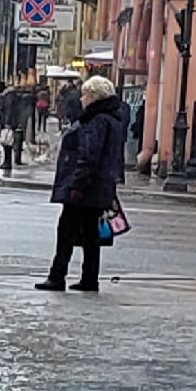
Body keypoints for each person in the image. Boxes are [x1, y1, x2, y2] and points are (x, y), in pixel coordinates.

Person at [35, 75, 126, 294]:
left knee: (66, 231)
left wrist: (77, 186)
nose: (82, 98)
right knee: (90, 234)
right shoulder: (112, 119)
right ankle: (89, 278)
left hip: (86, 188)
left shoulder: (96, 121)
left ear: (94, 97)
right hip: (99, 186)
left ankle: (57, 277)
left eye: (85, 94)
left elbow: (89, 155)